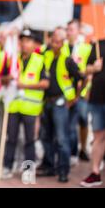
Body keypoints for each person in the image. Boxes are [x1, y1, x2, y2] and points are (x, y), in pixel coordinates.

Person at [38, 28, 83, 183]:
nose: (55, 44)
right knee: (46, 136)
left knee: (62, 138)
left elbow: (79, 78)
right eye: (53, 41)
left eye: (58, 42)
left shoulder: (67, 59)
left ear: (62, 43)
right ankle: (49, 166)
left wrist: (75, 98)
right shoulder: (46, 56)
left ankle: (63, 170)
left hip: (61, 102)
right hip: (47, 102)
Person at [2, 29, 49, 178]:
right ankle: (7, 167)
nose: (24, 43)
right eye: (22, 40)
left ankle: (28, 170)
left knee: (30, 140)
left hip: (30, 108)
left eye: (28, 40)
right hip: (13, 106)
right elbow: (1, 79)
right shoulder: (13, 59)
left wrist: (25, 86)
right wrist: (8, 79)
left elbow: (45, 83)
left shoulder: (40, 60)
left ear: (34, 43)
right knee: (11, 139)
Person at [63, 19, 92, 162]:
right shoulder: (63, 47)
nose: (69, 33)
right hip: (66, 92)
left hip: (82, 93)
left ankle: (82, 149)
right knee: (68, 124)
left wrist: (83, 91)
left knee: (83, 120)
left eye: (71, 30)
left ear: (78, 31)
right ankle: (71, 152)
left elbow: (89, 71)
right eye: (67, 30)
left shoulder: (86, 48)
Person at [80, 40, 105, 187]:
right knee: (98, 137)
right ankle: (95, 173)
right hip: (98, 98)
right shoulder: (98, 45)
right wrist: (94, 68)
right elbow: (86, 69)